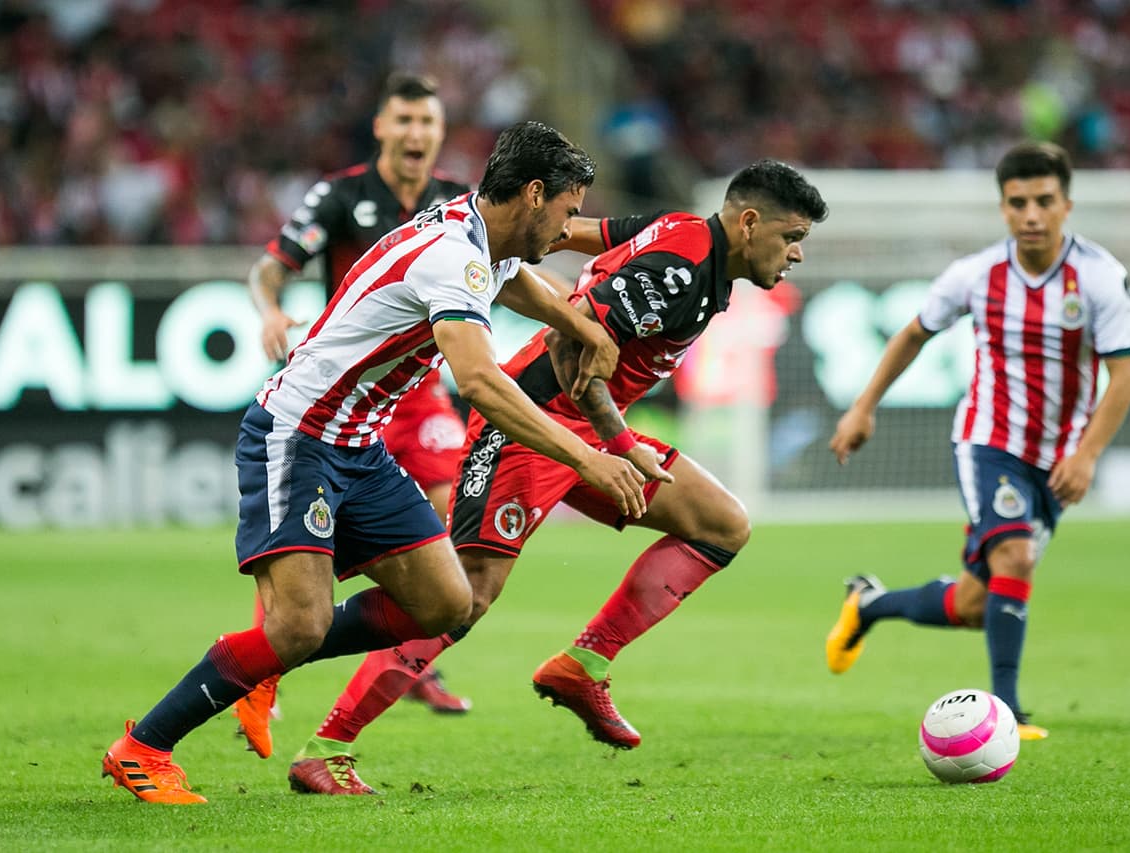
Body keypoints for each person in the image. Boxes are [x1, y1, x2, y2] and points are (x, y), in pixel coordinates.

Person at [101, 121, 649, 805]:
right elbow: (479, 382)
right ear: (535, 195)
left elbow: (516, 281)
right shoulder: (455, 255)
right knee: (299, 625)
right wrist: (590, 460)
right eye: (569, 211)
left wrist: (582, 323)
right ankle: (144, 746)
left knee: (444, 601)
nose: (570, 226)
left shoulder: (482, 233)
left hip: (359, 445)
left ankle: (264, 654)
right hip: (297, 434)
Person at [280, 159, 828, 794]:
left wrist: (519, 240)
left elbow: (574, 231)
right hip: (532, 423)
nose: (795, 256)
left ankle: (583, 664)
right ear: (750, 222)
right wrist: (619, 445)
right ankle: (322, 735)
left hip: (594, 430)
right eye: (792, 239)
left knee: (722, 524)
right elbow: (575, 350)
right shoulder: (676, 272)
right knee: (469, 594)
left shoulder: (681, 236)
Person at [825, 141, 1130, 741]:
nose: (1031, 214)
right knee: (1014, 557)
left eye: (1043, 201)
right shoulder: (975, 275)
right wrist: (863, 407)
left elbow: (1124, 372)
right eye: (1017, 202)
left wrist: (1087, 452)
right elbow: (913, 334)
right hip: (988, 440)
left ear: (1066, 205)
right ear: (1002, 208)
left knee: (977, 605)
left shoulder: (1098, 276)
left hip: (1058, 459)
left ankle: (868, 605)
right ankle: (1008, 714)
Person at [240, 73, 474, 736]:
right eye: (403, 120)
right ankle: (264, 665)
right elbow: (270, 266)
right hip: (345, 393)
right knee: (311, 549)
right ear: (380, 127)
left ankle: (411, 660)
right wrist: (271, 308)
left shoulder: (457, 203)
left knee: (437, 516)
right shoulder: (341, 195)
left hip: (419, 389)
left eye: (427, 122)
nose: (415, 134)